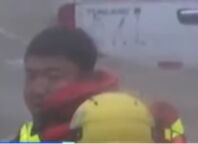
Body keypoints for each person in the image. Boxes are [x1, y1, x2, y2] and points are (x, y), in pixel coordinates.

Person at [13, 26, 186, 143]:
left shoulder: (125, 123)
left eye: (53, 76)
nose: (37, 89)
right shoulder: (31, 131)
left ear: (87, 78)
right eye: (31, 76)